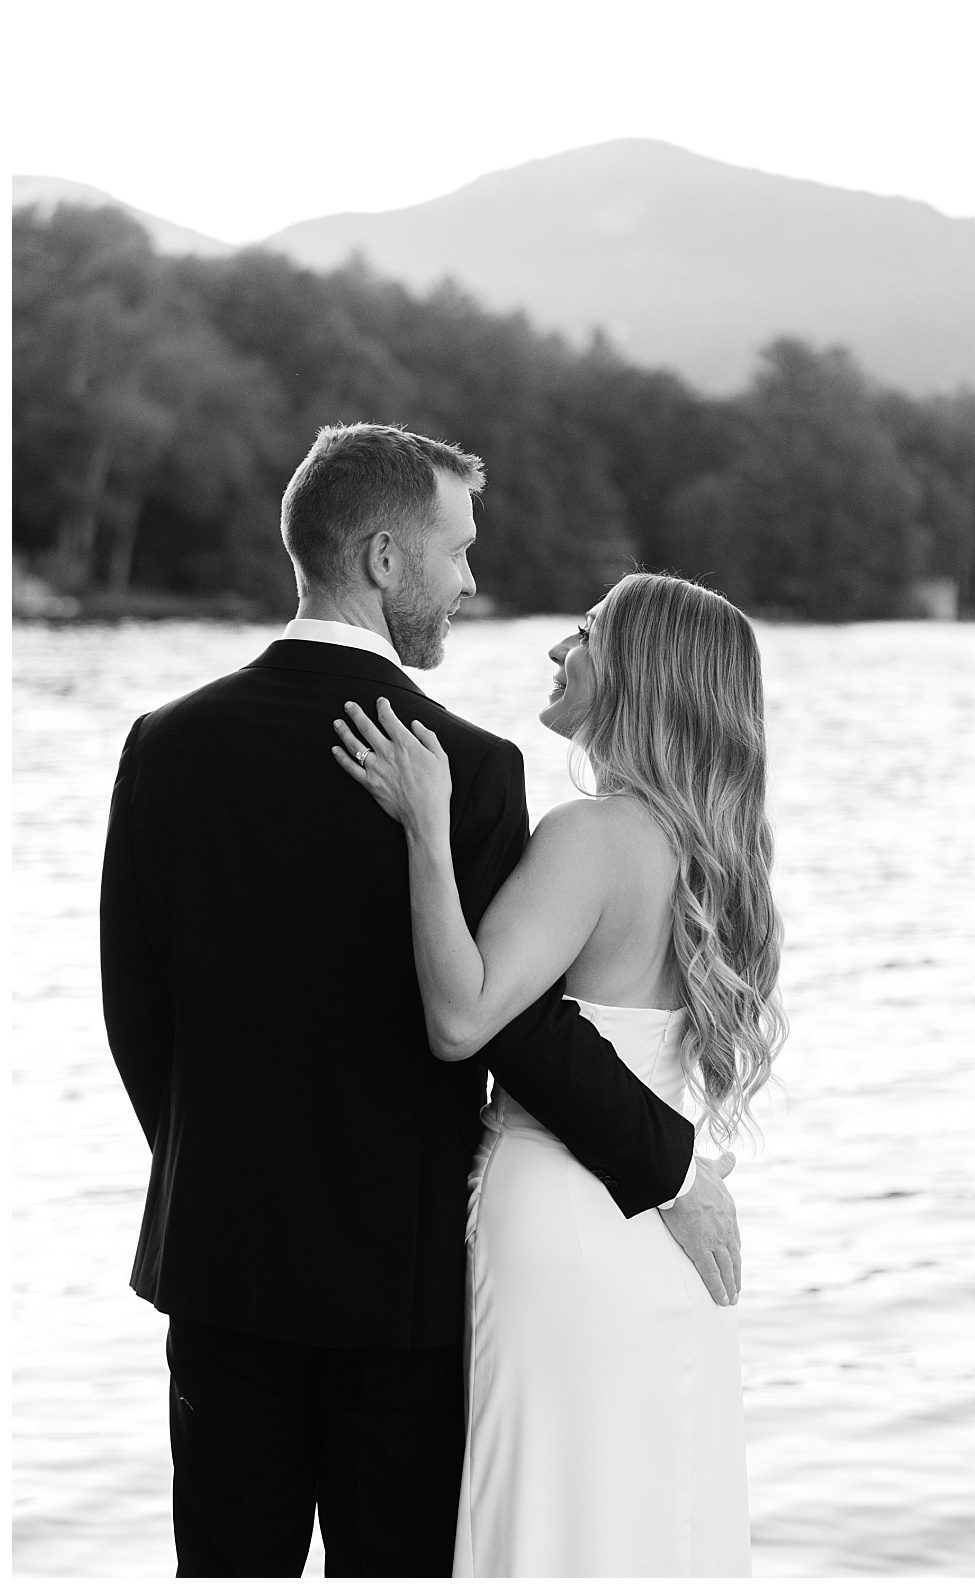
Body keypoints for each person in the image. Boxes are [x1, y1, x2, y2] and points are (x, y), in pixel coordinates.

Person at [100, 422, 737, 1575]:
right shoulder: (470, 764)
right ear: (387, 560)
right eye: (456, 553)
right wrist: (670, 1170)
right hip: (402, 1287)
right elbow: (520, 1028)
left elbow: (136, 1009)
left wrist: (225, 1169)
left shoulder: (167, 744)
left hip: (222, 1264)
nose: (471, 581)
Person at [334, 568, 781, 1575]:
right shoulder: (710, 847)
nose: (556, 651)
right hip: (658, 1243)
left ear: (639, 673)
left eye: (583, 634)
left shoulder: (591, 838)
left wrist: (427, 829)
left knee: (550, 1519)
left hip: (562, 1222)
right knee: (649, 1522)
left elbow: (460, 1019)